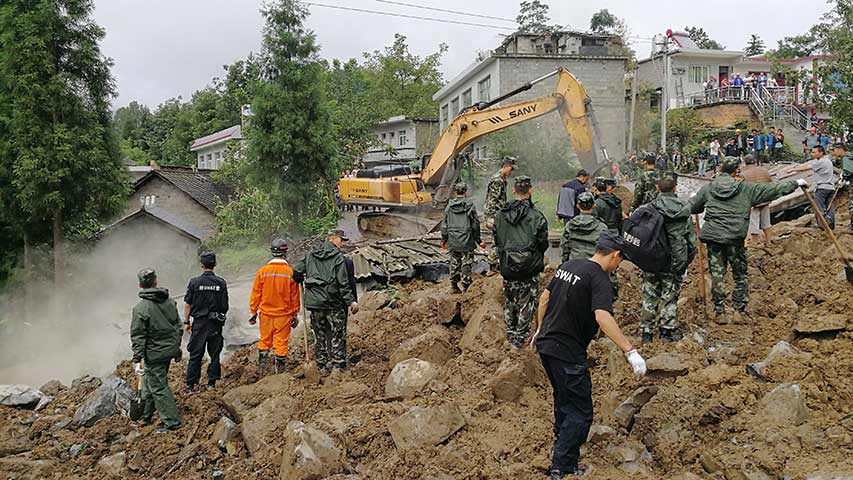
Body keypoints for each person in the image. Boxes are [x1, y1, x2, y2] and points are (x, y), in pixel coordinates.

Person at [531, 232, 647, 479]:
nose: (617, 267)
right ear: (615, 255)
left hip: (546, 346)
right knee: (581, 412)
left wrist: (541, 328)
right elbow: (602, 316)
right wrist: (630, 350)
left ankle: (561, 451)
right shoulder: (599, 279)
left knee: (563, 400)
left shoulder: (570, 265)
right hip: (567, 351)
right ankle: (562, 467)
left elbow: (544, 298)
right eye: (619, 261)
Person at [690, 157, 800, 324]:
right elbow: (774, 190)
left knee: (718, 274)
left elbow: (693, 207)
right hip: (735, 237)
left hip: (714, 238)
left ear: (720, 170)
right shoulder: (746, 189)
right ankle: (738, 311)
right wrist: (796, 183)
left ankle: (719, 311)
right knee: (740, 274)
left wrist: (697, 201)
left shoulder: (709, 188)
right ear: (736, 171)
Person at [639, 174, 696, 343]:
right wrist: (684, 261)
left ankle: (647, 333)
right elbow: (691, 243)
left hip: (652, 259)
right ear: (675, 188)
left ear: (657, 188)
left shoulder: (649, 208)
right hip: (674, 261)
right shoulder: (684, 210)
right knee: (670, 297)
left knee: (649, 295)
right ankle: (666, 333)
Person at [493, 176, 549, 348]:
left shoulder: (500, 215)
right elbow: (543, 243)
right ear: (530, 190)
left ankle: (510, 336)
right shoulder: (536, 216)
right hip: (529, 267)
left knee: (510, 301)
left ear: (513, 190)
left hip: (508, 266)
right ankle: (521, 340)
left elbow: (497, 239)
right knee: (527, 303)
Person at [294, 230, 358, 373]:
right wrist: (351, 301)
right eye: (341, 240)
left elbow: (296, 271)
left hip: (315, 304)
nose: (343, 243)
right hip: (333, 302)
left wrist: (299, 277)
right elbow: (343, 282)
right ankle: (338, 365)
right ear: (332, 239)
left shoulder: (311, 255)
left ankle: (321, 365)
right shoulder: (338, 258)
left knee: (319, 334)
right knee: (337, 333)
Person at [131, 268, 183, 433]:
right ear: (155, 281)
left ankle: (172, 421)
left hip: (154, 354)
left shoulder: (141, 309)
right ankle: (145, 415)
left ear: (140, 285)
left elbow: (138, 336)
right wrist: (177, 348)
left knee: (159, 386)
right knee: (150, 382)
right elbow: (177, 327)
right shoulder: (170, 302)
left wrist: (137, 358)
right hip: (169, 350)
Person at [249, 239, 300, 374]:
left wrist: (253, 312)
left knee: (264, 341)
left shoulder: (262, 271)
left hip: (265, 314)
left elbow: (256, 294)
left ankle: (262, 370)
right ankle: (280, 373)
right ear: (285, 253)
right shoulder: (290, 272)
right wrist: (295, 314)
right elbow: (295, 297)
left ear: (272, 252)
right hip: (283, 316)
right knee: (281, 343)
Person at [183, 252, 229, 392]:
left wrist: (186, 322)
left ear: (201, 265)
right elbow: (224, 306)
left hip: (199, 324)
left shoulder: (194, 282)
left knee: (195, 354)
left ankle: (190, 385)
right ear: (215, 264)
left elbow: (187, 304)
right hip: (214, 324)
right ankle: (211, 384)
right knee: (214, 354)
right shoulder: (221, 283)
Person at [441, 182, 484, 293]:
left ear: (456, 192)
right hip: (467, 238)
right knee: (467, 262)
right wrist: (478, 240)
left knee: (454, 261)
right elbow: (475, 224)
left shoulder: (449, 206)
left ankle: (454, 286)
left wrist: (444, 240)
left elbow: (444, 224)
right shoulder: (470, 205)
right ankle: (466, 285)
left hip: (453, 238)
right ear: (466, 192)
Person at [786, 145, 837, 229]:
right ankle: (831, 224)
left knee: (819, 207)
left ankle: (821, 225)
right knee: (829, 207)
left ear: (821, 153)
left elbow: (806, 168)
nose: (812, 154)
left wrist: (793, 170)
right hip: (830, 187)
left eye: (814, 152)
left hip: (822, 188)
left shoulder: (820, 162)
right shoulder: (828, 161)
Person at [484, 157, 516, 266]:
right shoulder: (497, 180)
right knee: (496, 239)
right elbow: (492, 200)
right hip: (495, 215)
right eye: (511, 169)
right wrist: (490, 217)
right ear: (506, 166)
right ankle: (492, 265)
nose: (511, 172)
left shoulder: (502, 179)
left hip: (499, 214)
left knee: (499, 238)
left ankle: (496, 263)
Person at [560, 192, 607, 263]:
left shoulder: (569, 225)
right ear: (594, 205)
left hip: (574, 263)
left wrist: (565, 262)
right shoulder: (601, 227)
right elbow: (604, 249)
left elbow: (565, 246)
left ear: (577, 206)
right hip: (594, 265)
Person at [739, 154, 774, 246]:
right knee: (766, 222)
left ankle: (755, 244)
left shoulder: (743, 174)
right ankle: (768, 242)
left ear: (745, 163)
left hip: (752, 202)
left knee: (753, 223)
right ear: (755, 162)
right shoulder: (764, 171)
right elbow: (771, 184)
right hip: (765, 199)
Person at [832, 142, 853, 231]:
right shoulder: (850, 156)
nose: (834, 152)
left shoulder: (846, 158)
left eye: (834, 150)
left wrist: (844, 176)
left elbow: (849, 171)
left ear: (840, 149)